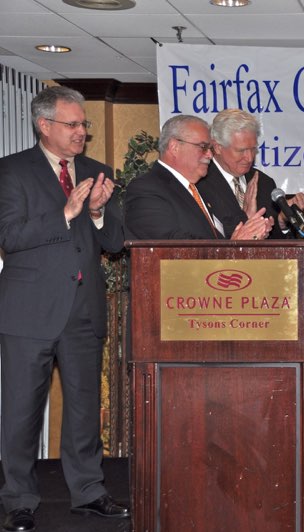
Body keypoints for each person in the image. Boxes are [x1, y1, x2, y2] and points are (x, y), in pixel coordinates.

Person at [0, 86, 129, 532]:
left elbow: (115, 242)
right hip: (28, 312)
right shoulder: (11, 171)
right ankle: (18, 499)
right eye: (72, 125)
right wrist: (66, 212)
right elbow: (11, 237)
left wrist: (96, 214)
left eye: (84, 125)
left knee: (83, 408)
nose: (81, 133)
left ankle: (89, 492)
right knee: (20, 412)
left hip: (82, 310)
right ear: (45, 125)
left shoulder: (96, 171)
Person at [124, 114, 269, 240]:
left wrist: (248, 222)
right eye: (203, 147)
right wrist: (235, 248)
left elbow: (220, 234)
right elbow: (171, 246)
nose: (210, 155)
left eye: (209, 148)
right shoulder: (146, 189)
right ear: (174, 147)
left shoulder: (198, 188)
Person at [196, 108, 304, 239]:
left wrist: (282, 220)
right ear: (217, 147)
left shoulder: (264, 182)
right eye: (241, 150)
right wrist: (246, 220)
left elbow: (276, 244)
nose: (249, 158)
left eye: (253, 149)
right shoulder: (199, 184)